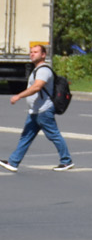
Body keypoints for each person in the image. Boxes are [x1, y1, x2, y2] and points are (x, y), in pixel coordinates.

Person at [2, 44, 74, 172]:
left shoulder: (43, 70)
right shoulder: (37, 70)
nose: (32, 54)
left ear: (43, 55)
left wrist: (19, 96)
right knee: (26, 136)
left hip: (43, 110)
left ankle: (66, 161)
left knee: (54, 135)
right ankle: (13, 162)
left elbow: (37, 87)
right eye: (31, 52)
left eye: (35, 52)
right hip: (35, 111)